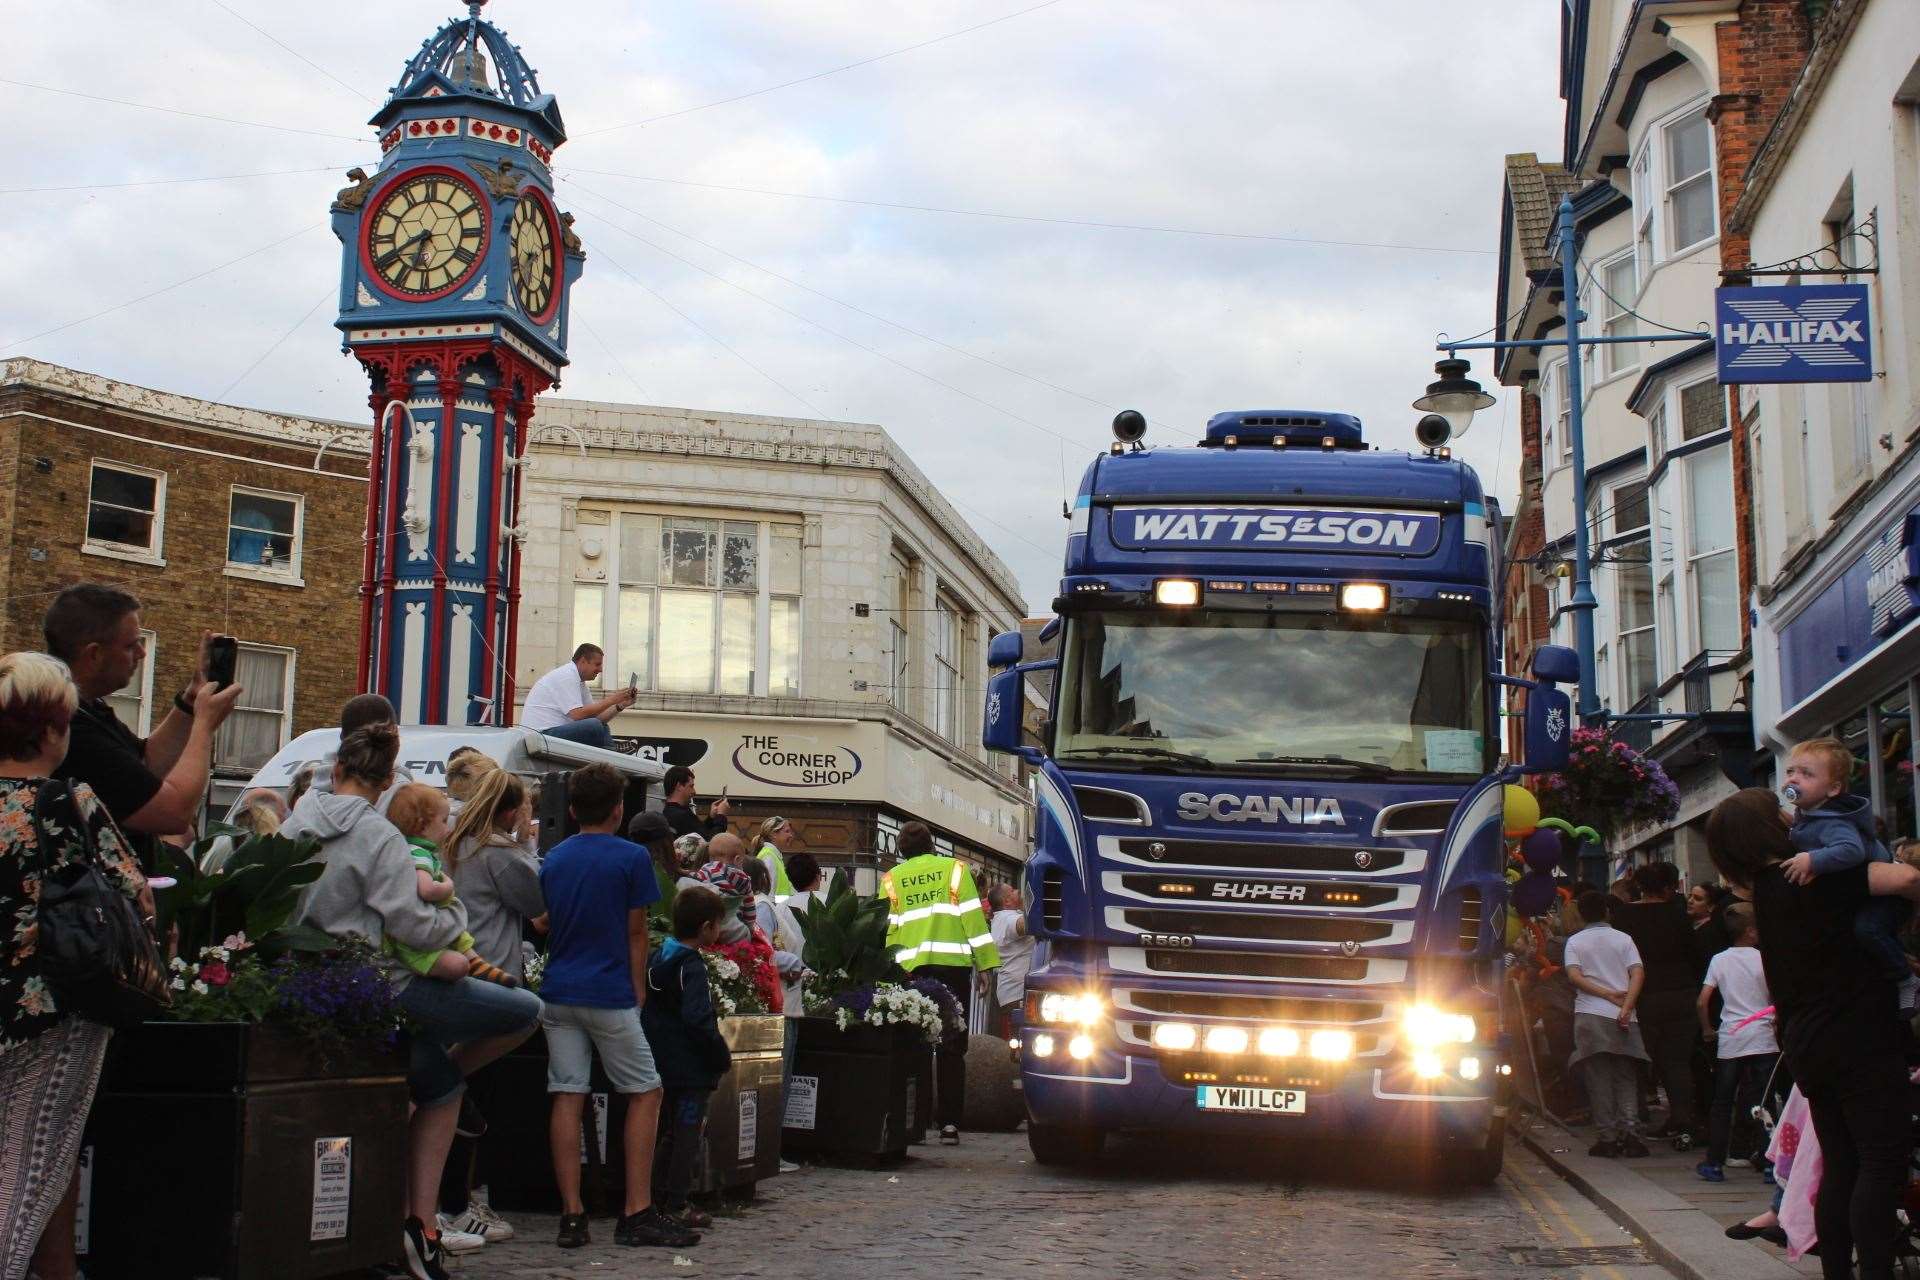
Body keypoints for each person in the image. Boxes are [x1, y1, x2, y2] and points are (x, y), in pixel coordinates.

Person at [282, 723, 541, 1280]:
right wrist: (453, 917)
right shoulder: (378, 836)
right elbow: (413, 925)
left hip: (311, 984)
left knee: (437, 1086)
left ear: (335, 771)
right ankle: (418, 1224)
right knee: (523, 1013)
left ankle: (410, 1221)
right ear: (382, 783)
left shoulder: (295, 823)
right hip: (382, 987)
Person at [1704, 787, 1920, 1280]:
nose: (1792, 812)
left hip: (1807, 1040)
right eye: (1780, 808)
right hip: (1858, 1033)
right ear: (1767, 826)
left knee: (1840, 1164)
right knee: (1880, 1161)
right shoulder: (1813, 877)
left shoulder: (1766, 890)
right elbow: (1906, 877)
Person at [0, 652, 151, 1280]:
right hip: (58, 1009)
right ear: (55, 728)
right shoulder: (69, 800)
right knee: (29, 1174)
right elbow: (134, 896)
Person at [536, 763, 691, 1250]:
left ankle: (572, 1214)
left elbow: (541, 921)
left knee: (567, 1093)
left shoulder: (554, 858)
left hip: (559, 989)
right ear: (619, 810)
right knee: (645, 1091)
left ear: (574, 809)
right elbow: (637, 930)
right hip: (609, 991)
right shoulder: (630, 858)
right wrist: (637, 989)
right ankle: (636, 1210)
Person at [42, 584, 244, 872]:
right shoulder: (70, 728)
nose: (141, 653)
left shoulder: (88, 709)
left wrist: (189, 702)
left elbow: (146, 763)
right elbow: (172, 815)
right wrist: (203, 726)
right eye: (129, 645)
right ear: (94, 654)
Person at [437, 769, 545, 1244]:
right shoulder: (498, 853)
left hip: (451, 970)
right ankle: (456, 1203)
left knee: (451, 1092)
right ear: (508, 810)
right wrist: (526, 844)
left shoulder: (452, 842)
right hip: (492, 978)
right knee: (470, 1096)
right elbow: (538, 905)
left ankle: (452, 1198)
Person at [882, 821, 999, 1145]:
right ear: (932, 846)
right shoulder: (956, 870)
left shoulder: (891, 880)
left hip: (909, 971)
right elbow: (973, 921)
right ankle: (949, 1124)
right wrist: (985, 965)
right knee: (951, 1046)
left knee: (914, 1044)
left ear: (901, 851)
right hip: (952, 970)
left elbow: (888, 930)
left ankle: (915, 1125)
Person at [1780, 737, 1916, 1008]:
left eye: (1806, 774)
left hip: (1885, 898)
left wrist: (1812, 860)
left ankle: (1907, 979)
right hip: (1867, 892)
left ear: (1833, 789)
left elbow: (1850, 850)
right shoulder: (1808, 815)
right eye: (1791, 771)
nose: (1794, 779)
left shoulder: (1834, 820)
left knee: (1868, 930)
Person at [643, 885, 733, 1232]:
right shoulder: (691, 966)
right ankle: (677, 1202)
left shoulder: (657, 958)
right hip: (691, 1068)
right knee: (687, 1133)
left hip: (661, 1062)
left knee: (666, 1132)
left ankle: (654, 1195)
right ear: (706, 927)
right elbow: (698, 1018)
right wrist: (718, 1054)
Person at [382, 783, 517, 988]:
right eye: (444, 821)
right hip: (418, 947)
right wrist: (448, 887)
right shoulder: (419, 854)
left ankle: (477, 963)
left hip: (418, 934)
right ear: (421, 826)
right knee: (457, 966)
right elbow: (426, 889)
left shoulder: (408, 850)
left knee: (460, 943)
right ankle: (474, 964)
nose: (448, 828)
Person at [1609, 861, 1701, 1144]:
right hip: (1681, 994)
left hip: (1642, 996)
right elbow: (1694, 956)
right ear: (1666, 888)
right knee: (1677, 1061)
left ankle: (1634, 1118)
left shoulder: (1624, 917)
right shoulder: (1679, 916)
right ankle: (1681, 1119)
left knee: (1640, 1059)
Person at [1694, 902, 1779, 1183]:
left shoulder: (1720, 960)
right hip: (1764, 1037)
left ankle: (1714, 1163)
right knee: (1764, 1101)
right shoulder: (1765, 958)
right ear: (1751, 932)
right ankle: (1770, 1164)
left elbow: (1702, 1000)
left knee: (1722, 1102)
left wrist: (1708, 1029)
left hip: (1731, 1039)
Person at [1563, 889, 1650, 1158]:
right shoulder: (1624, 939)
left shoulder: (1575, 942)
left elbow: (1574, 976)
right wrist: (1626, 1006)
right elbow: (1637, 972)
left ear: (1581, 914)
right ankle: (1632, 1135)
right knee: (1625, 1076)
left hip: (1590, 1014)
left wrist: (1602, 994)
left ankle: (1607, 1138)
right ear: (1608, 911)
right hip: (1624, 1016)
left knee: (1598, 1078)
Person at [519, 644, 635, 749]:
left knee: (600, 725)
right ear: (583, 661)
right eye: (597, 664)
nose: (600, 670)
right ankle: (612, 756)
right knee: (594, 726)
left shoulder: (579, 682)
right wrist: (611, 700)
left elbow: (597, 717)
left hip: (547, 734)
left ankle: (612, 755)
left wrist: (619, 705)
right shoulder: (567, 676)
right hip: (540, 735)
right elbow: (577, 715)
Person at [987, 883, 1033, 1040]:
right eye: (1013, 891)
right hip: (1017, 995)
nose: (1017, 891)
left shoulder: (1001, 919)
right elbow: (1023, 925)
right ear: (1007, 901)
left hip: (1013, 994)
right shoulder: (1008, 919)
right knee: (1020, 1047)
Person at [694, 832, 757, 932]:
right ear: (737, 859)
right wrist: (750, 928)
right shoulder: (744, 880)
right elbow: (750, 909)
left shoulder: (705, 872)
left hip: (709, 926)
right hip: (735, 928)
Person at [661, 765, 729, 842]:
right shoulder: (680, 815)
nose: (694, 792)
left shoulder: (672, 812)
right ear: (679, 786)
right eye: (691, 786)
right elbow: (710, 843)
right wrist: (721, 815)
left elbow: (700, 833)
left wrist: (711, 817)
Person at [754, 816, 798, 896]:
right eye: (787, 831)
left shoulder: (774, 855)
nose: (791, 835)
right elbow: (768, 895)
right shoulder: (768, 857)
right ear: (773, 834)